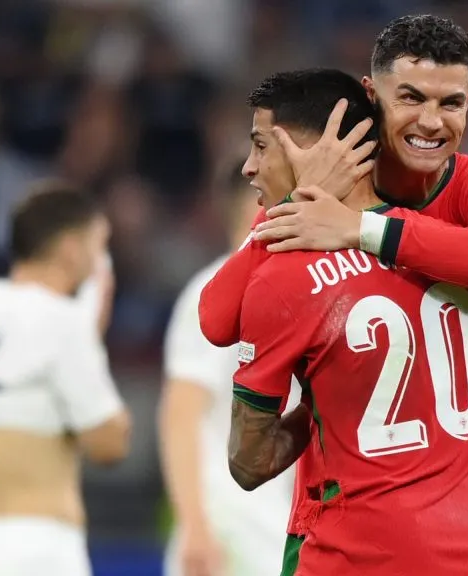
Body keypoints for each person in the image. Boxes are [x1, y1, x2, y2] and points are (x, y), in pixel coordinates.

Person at [200, 15, 468, 575]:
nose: (430, 122)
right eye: (411, 98)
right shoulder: (461, 253)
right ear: (370, 96)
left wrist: (355, 228)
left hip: (354, 541)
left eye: (451, 104)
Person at [0, 183, 131, 576]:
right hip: (41, 549)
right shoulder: (61, 321)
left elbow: (17, 408)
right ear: (71, 250)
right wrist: (91, 338)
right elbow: (109, 444)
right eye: (100, 247)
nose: (101, 263)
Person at [159, 161, 300, 576]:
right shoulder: (212, 295)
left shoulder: (294, 289)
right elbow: (180, 416)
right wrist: (195, 526)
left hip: (273, 518)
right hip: (227, 523)